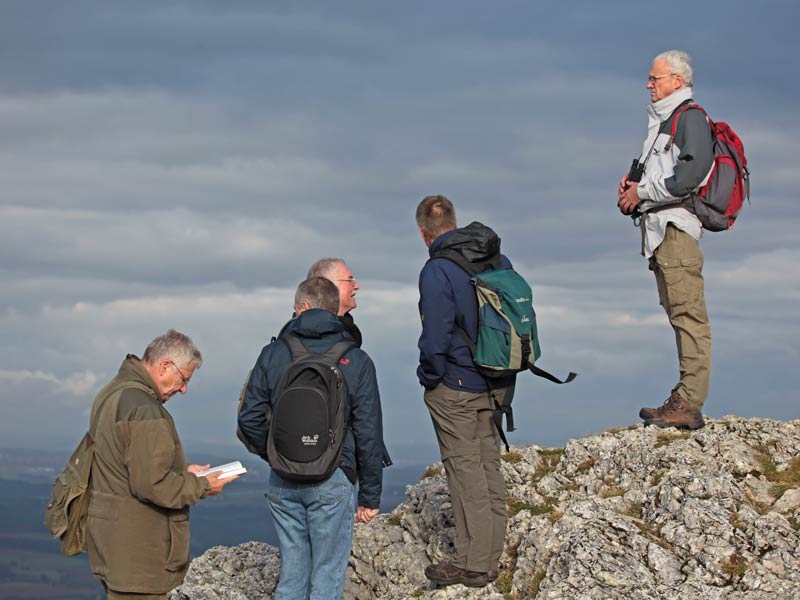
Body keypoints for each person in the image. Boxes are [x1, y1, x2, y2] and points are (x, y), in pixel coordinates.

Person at [238, 277, 385, 600]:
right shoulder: (357, 359)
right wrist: (370, 495)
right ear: (335, 310)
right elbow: (368, 431)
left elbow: (249, 418)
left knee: (292, 576)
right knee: (327, 576)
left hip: (282, 479)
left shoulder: (274, 353)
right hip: (332, 477)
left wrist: (277, 454)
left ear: (300, 308)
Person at [87, 329, 237, 600]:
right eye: (184, 379)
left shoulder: (113, 393)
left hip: (111, 545)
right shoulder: (146, 410)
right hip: (142, 558)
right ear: (165, 365)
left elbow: (126, 462)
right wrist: (202, 485)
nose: (184, 389)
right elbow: (152, 485)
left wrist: (182, 471)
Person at [415, 195, 511, 588]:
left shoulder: (437, 269)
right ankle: (490, 555)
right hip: (498, 382)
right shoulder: (497, 259)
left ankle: (474, 564)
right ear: (454, 222)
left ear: (424, 233)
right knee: (488, 466)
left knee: (464, 471)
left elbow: (435, 336)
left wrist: (429, 376)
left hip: (457, 385)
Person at [617, 50, 714, 430]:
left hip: (675, 229)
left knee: (688, 314)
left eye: (654, 78)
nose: (648, 85)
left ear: (677, 80)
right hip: (661, 231)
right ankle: (684, 398)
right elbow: (668, 172)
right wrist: (635, 187)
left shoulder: (689, 118)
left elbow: (690, 175)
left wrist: (640, 192)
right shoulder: (666, 121)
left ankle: (689, 402)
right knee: (679, 313)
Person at [307, 258, 362, 347]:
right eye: (349, 281)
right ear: (325, 285)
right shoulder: (308, 334)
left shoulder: (350, 331)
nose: (356, 286)